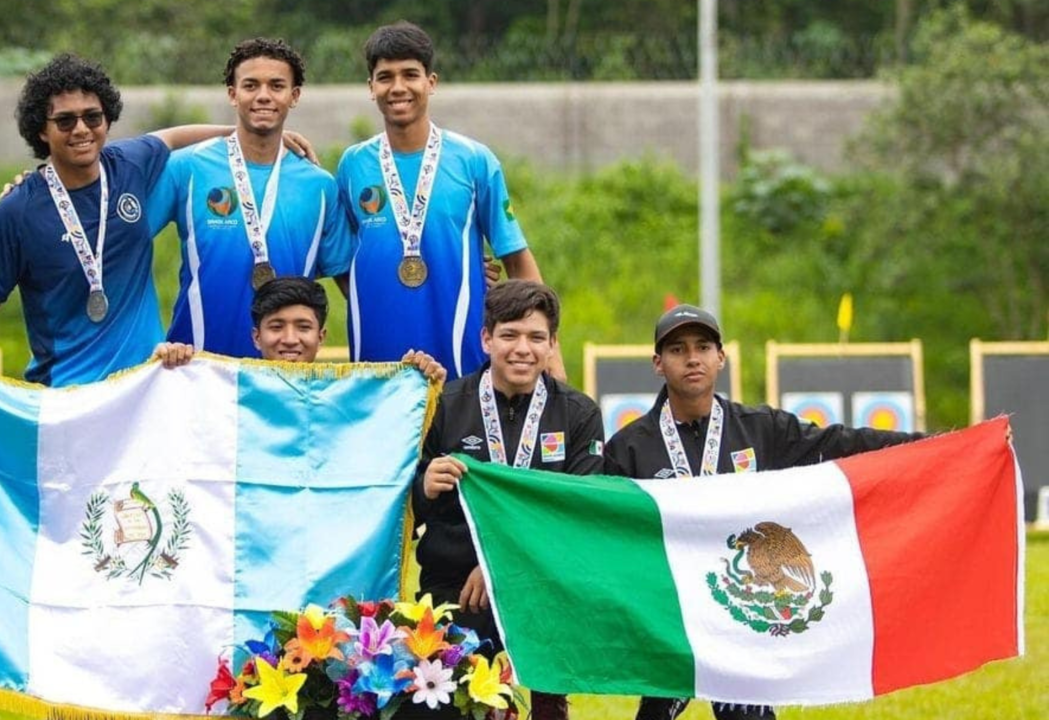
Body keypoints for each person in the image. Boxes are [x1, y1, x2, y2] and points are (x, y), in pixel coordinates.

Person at [603, 304, 927, 720]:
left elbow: (843, 442)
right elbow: (602, 525)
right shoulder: (630, 447)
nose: (692, 358)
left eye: (703, 346)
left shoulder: (760, 429)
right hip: (672, 617)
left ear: (721, 357)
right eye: (678, 349)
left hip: (741, 610)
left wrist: (936, 444)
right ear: (657, 363)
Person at [0, 54, 245, 386]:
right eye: (65, 120)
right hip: (66, 399)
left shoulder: (129, 164)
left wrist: (250, 137)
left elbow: (171, 136)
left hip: (141, 391)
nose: (81, 129)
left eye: (92, 116)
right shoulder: (18, 211)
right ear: (42, 130)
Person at [413, 280, 603, 720]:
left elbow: (578, 515)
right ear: (486, 338)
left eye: (537, 337)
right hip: (456, 586)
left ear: (552, 344)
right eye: (510, 335)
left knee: (548, 710)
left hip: (543, 586)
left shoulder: (579, 414)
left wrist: (500, 566)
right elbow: (401, 504)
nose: (523, 349)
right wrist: (424, 485)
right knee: (443, 704)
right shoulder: (442, 405)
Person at [336, 21, 561, 381]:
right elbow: (340, 259)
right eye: (385, 77)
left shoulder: (474, 160)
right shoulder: (352, 164)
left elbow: (517, 260)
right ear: (370, 87)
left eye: (410, 74)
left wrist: (552, 358)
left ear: (431, 82)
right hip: (375, 368)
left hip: (463, 367)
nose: (398, 87)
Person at [146, 38, 351, 359]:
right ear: (232, 93)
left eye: (277, 85)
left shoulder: (321, 186)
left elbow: (349, 282)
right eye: (251, 85)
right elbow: (125, 245)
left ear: (294, 95)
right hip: (197, 366)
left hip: (283, 373)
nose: (264, 96)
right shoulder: (186, 167)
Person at [152, 276, 444, 383]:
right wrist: (169, 364)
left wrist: (416, 380)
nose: (290, 339)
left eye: (303, 327)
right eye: (276, 327)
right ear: (256, 337)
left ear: (321, 337)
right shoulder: (226, 390)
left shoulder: (343, 395)